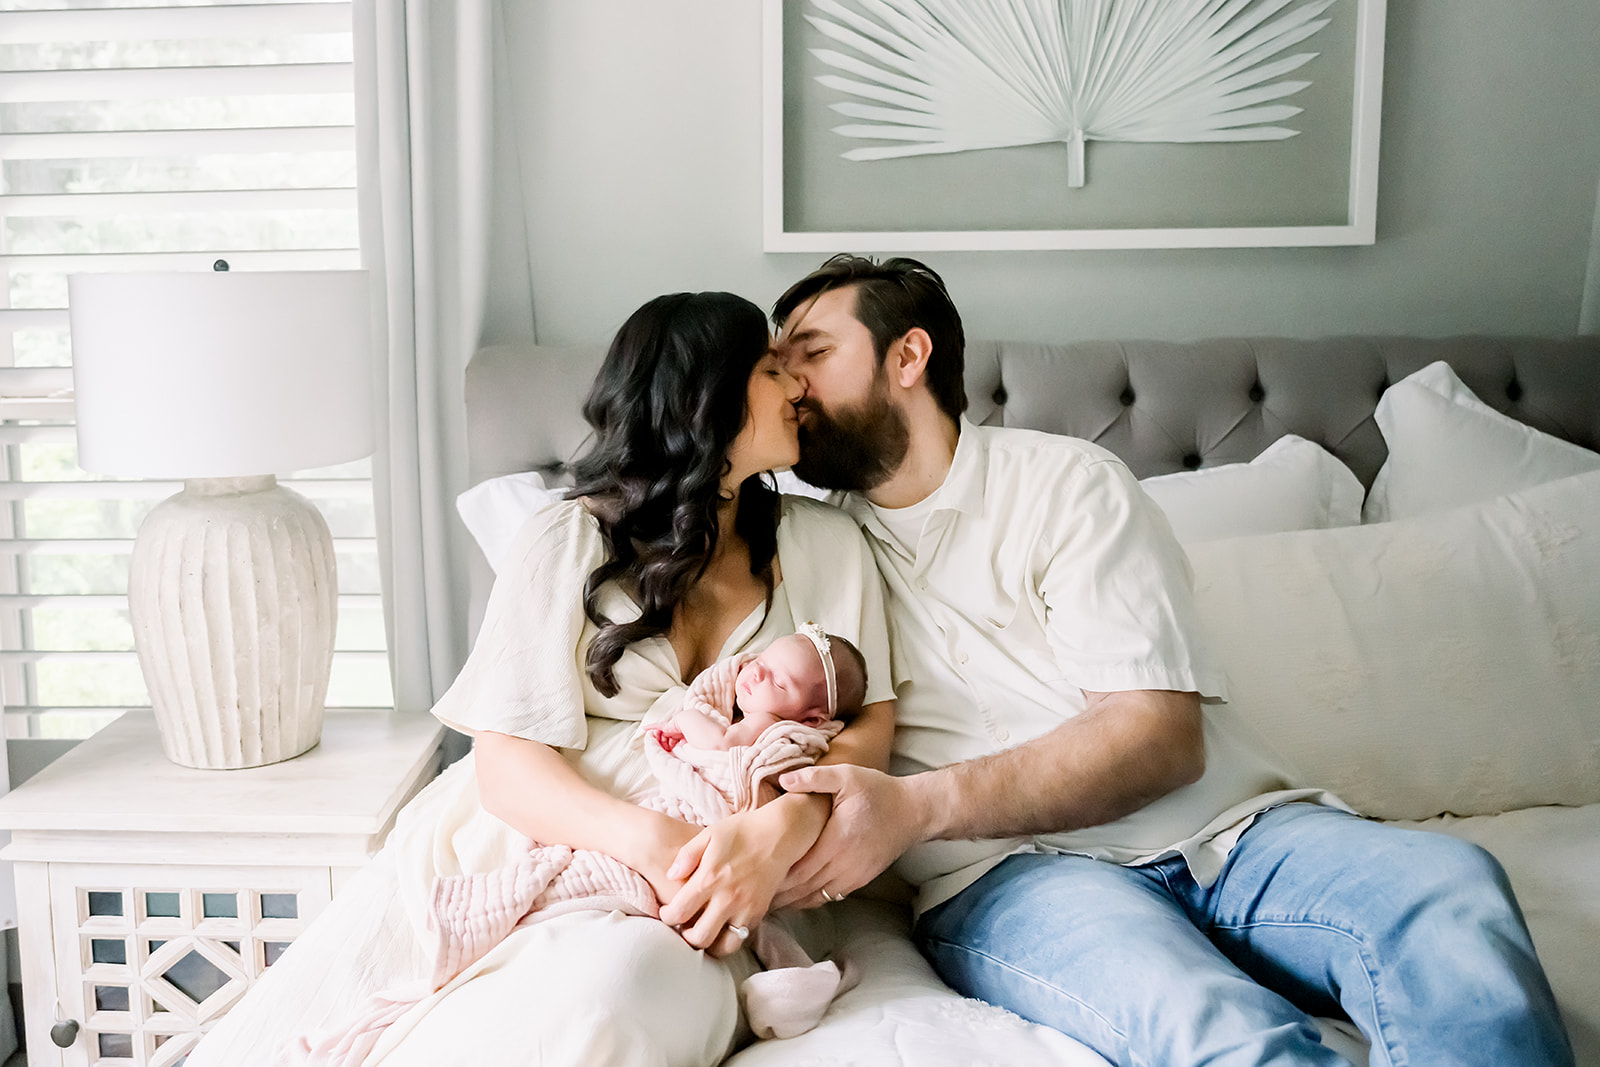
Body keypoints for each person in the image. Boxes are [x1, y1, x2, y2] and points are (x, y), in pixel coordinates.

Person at [765, 254, 1574, 1067]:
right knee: (1216, 1026)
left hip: (1228, 834)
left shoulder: (1066, 485)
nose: (790, 382)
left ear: (907, 357)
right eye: (777, 364)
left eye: (813, 353)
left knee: (1448, 891)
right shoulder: (802, 545)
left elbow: (1156, 735)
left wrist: (915, 807)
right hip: (1009, 880)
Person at [245, 290, 898, 1067]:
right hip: (561, 839)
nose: (797, 387)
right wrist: (654, 841)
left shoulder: (831, 545)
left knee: (614, 999)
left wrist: (771, 833)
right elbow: (507, 764)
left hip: (734, 871)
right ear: (705, 400)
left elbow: (869, 734)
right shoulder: (565, 541)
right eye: (768, 369)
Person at [649, 626, 869, 753]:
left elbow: (722, 743)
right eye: (762, 660)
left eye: (779, 682)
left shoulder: (767, 722)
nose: (757, 673)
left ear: (810, 721)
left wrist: (683, 721)